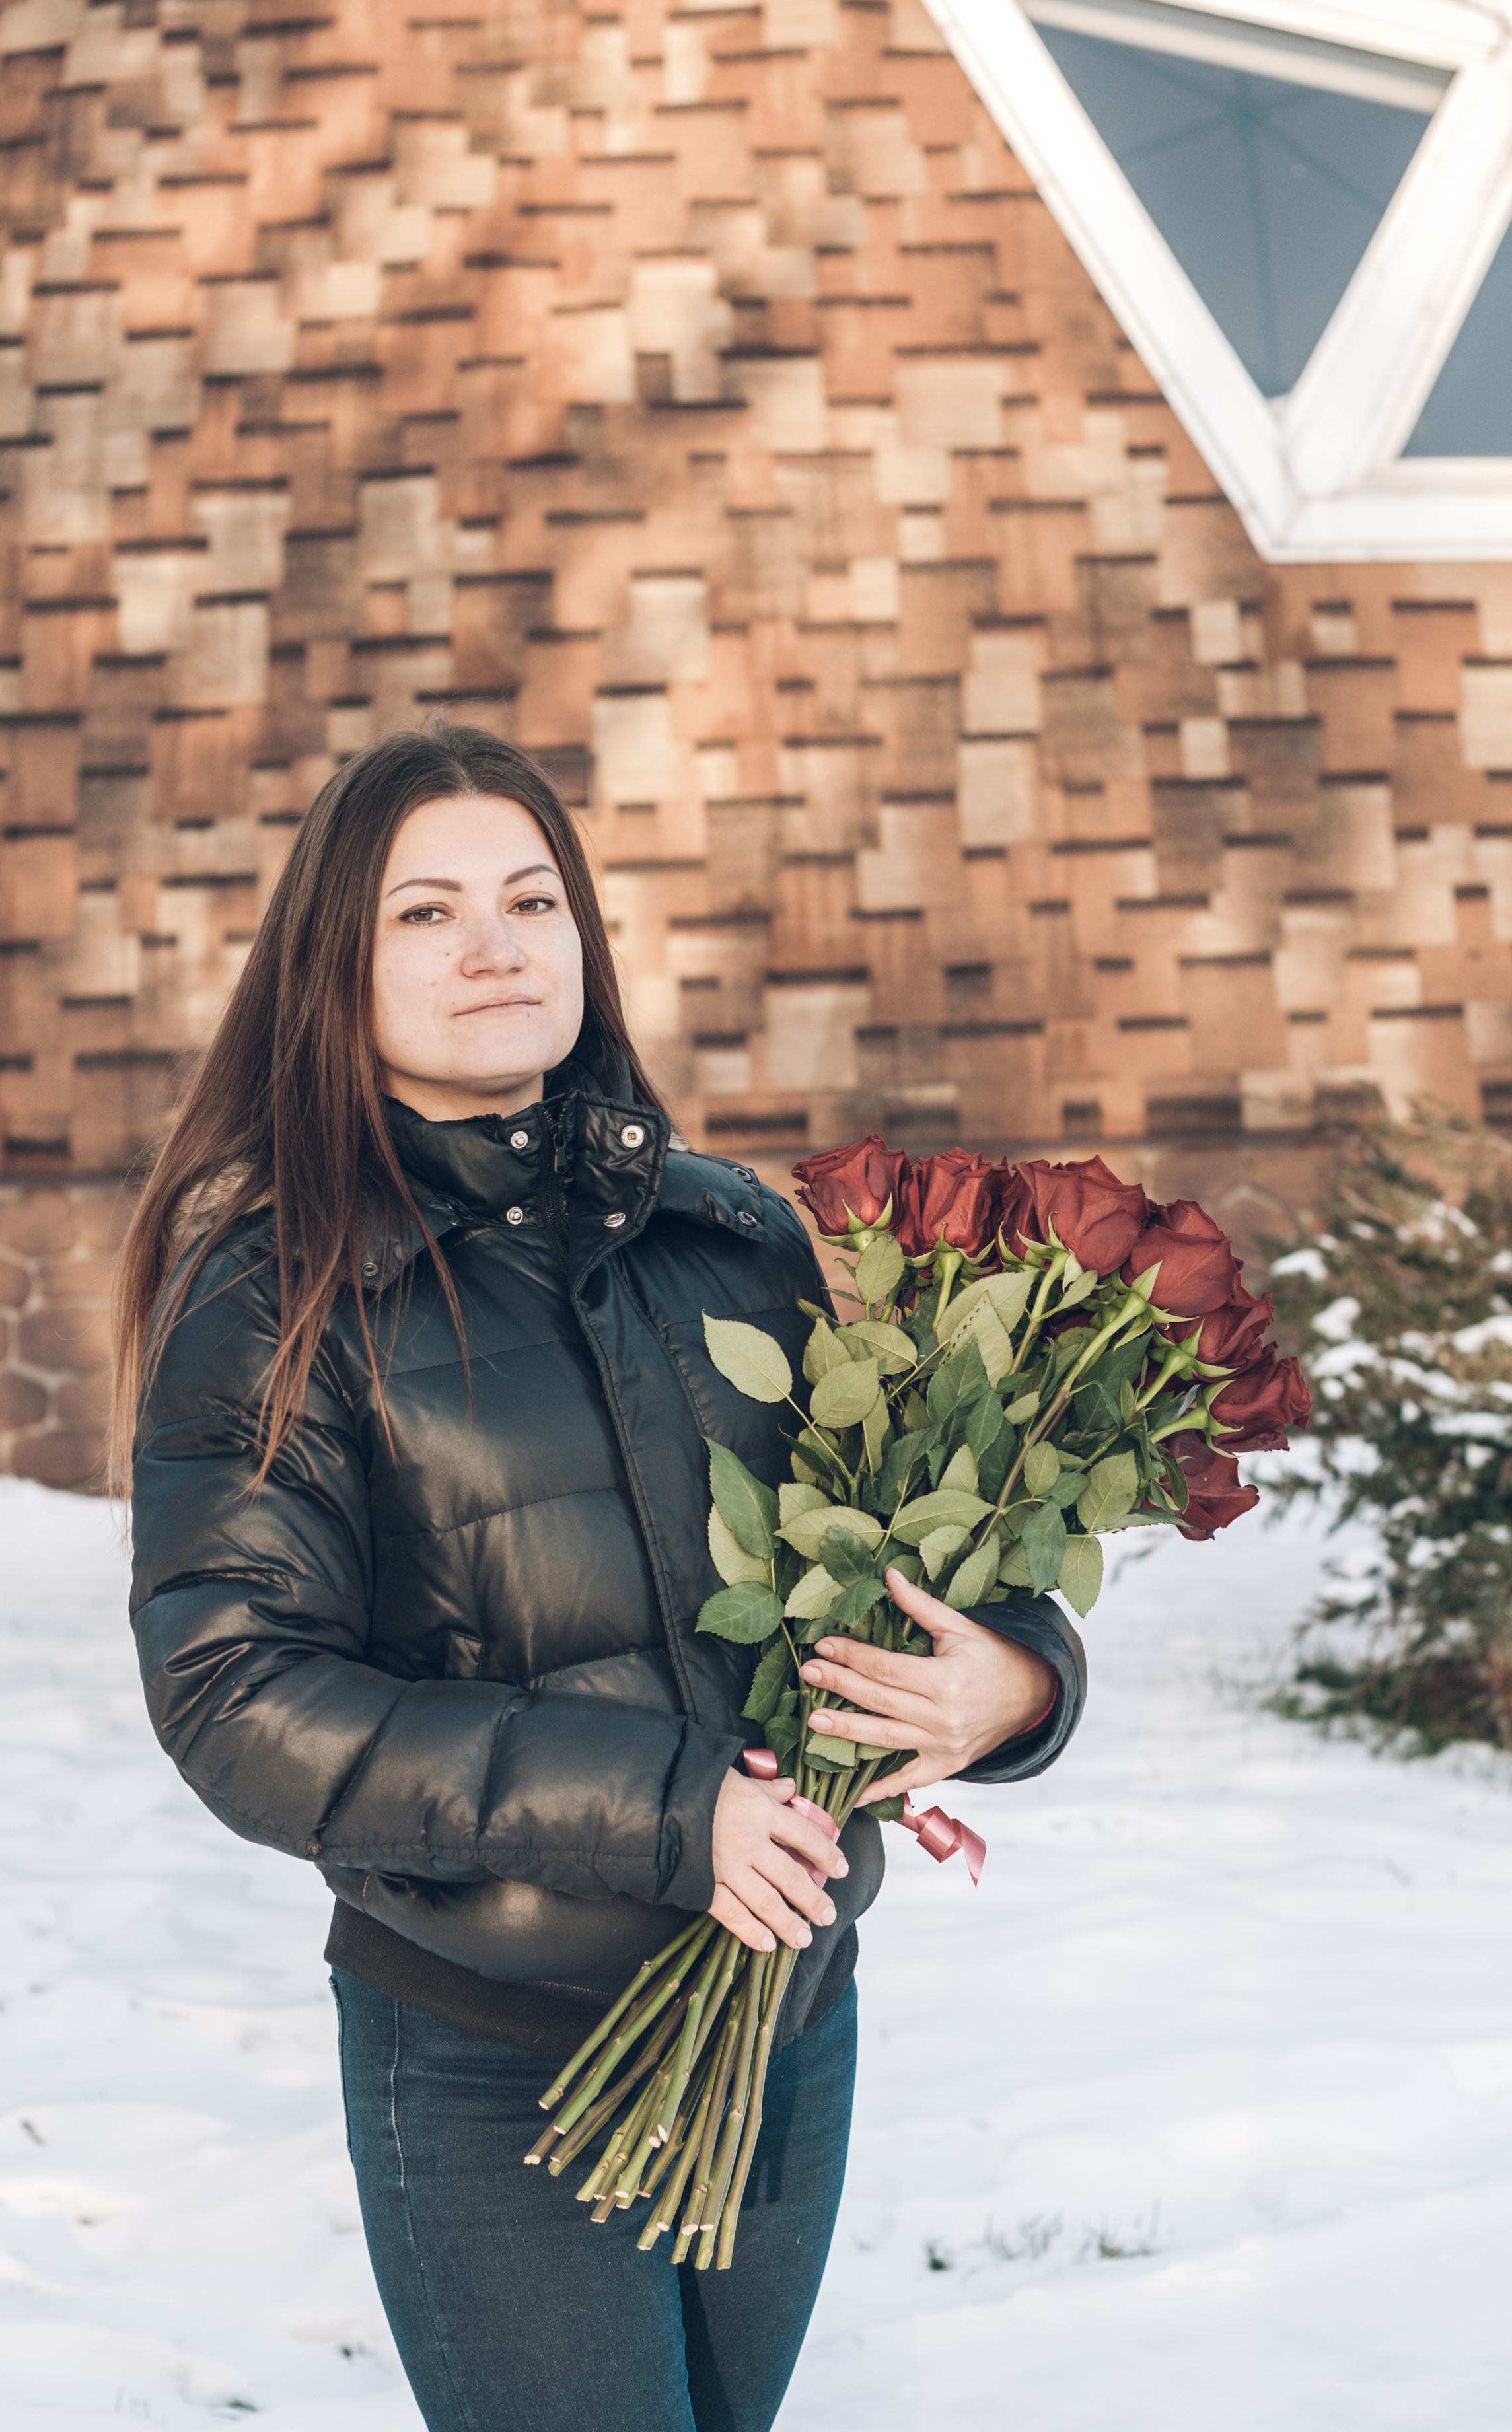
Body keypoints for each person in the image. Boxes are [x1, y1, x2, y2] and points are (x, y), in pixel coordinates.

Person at [115, 725, 1087, 2432]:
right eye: (426, 914)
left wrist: (1013, 1681)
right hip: (503, 2055)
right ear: (335, 967)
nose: (493, 945)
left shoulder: (726, 1236)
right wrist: (669, 1808)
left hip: (789, 2017)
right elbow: (237, 1695)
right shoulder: (284, 1293)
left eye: (529, 898)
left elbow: (878, 1547)